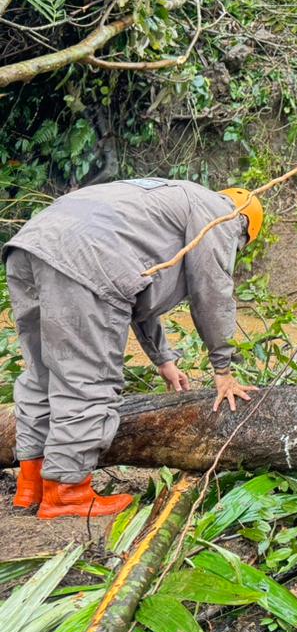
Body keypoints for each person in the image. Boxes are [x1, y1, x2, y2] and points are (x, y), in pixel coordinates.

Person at [3, 178, 262, 519]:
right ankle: (66, 492)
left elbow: (135, 288)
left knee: (44, 374)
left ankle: (32, 483)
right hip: (85, 255)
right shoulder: (222, 216)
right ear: (246, 229)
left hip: (32, 245)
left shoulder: (167, 202)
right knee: (86, 377)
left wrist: (163, 359)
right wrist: (223, 370)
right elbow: (211, 291)